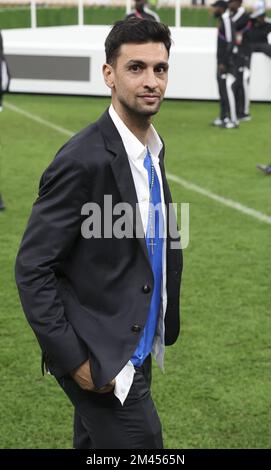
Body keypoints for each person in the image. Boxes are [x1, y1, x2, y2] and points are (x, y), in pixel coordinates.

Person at [15, 18, 182, 449]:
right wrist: (75, 362)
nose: (151, 81)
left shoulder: (151, 150)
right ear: (108, 74)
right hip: (103, 359)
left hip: (133, 344)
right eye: (136, 68)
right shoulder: (82, 159)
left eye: (160, 69)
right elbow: (33, 268)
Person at [211, 0, 238, 129]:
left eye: (215, 8)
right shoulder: (223, 19)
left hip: (226, 63)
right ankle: (223, 117)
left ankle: (233, 120)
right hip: (221, 62)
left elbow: (231, 43)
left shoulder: (227, 20)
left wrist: (223, 62)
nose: (213, 10)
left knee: (228, 90)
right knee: (222, 90)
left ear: (221, 8)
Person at [228, 0, 252, 121]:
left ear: (238, 3)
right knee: (237, 82)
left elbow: (233, 26)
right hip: (237, 54)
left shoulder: (244, 16)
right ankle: (238, 110)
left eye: (231, 2)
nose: (229, 5)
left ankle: (244, 112)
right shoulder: (232, 15)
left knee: (243, 81)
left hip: (244, 54)